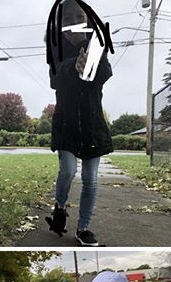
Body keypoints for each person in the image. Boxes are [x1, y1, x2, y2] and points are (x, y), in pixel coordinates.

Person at [45, 0, 113, 247]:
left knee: (90, 178)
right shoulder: (55, 47)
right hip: (67, 123)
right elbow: (54, 80)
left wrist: (90, 67)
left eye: (78, 16)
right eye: (67, 18)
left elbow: (105, 73)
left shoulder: (97, 43)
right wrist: (72, 68)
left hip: (92, 124)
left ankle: (84, 228)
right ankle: (60, 207)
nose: (73, 21)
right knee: (68, 170)